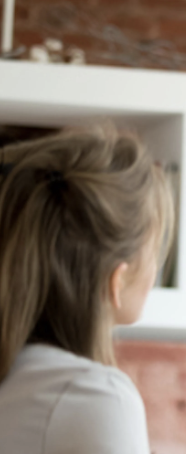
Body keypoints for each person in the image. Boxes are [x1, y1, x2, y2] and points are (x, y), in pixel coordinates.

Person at [0, 128, 174, 454]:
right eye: (154, 251)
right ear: (117, 280)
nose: (154, 270)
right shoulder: (95, 396)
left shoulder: (21, 380)